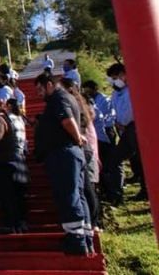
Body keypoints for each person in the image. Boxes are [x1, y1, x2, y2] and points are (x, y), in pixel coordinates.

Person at [33, 73, 93, 255]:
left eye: (40, 89)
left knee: (68, 194)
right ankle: (85, 236)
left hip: (63, 153)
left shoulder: (58, 99)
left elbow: (67, 120)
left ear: (49, 85)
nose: (39, 94)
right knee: (78, 195)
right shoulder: (67, 97)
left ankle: (76, 238)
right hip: (69, 152)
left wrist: (77, 138)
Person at [0, 97, 27, 234]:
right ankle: (19, 223)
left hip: (5, 164)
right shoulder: (7, 119)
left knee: (8, 195)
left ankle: (12, 224)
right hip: (14, 161)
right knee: (15, 196)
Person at [64, 79, 101, 231]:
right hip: (85, 148)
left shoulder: (76, 106)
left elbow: (83, 127)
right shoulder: (77, 105)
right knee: (85, 186)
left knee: (87, 186)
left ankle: (94, 221)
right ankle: (92, 221)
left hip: (84, 148)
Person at [107, 63, 147, 201]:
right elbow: (114, 109)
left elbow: (131, 111)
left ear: (123, 75)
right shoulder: (117, 93)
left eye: (115, 77)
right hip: (125, 128)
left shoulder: (134, 89)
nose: (114, 81)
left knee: (143, 160)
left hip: (135, 127)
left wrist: (123, 122)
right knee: (115, 159)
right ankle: (117, 193)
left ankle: (146, 190)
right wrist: (117, 121)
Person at [83, 80, 121, 205]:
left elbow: (102, 118)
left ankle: (115, 193)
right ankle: (107, 192)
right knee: (103, 167)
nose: (87, 92)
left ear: (94, 89)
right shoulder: (93, 103)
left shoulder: (102, 101)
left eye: (88, 89)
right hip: (99, 137)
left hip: (105, 134)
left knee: (111, 165)